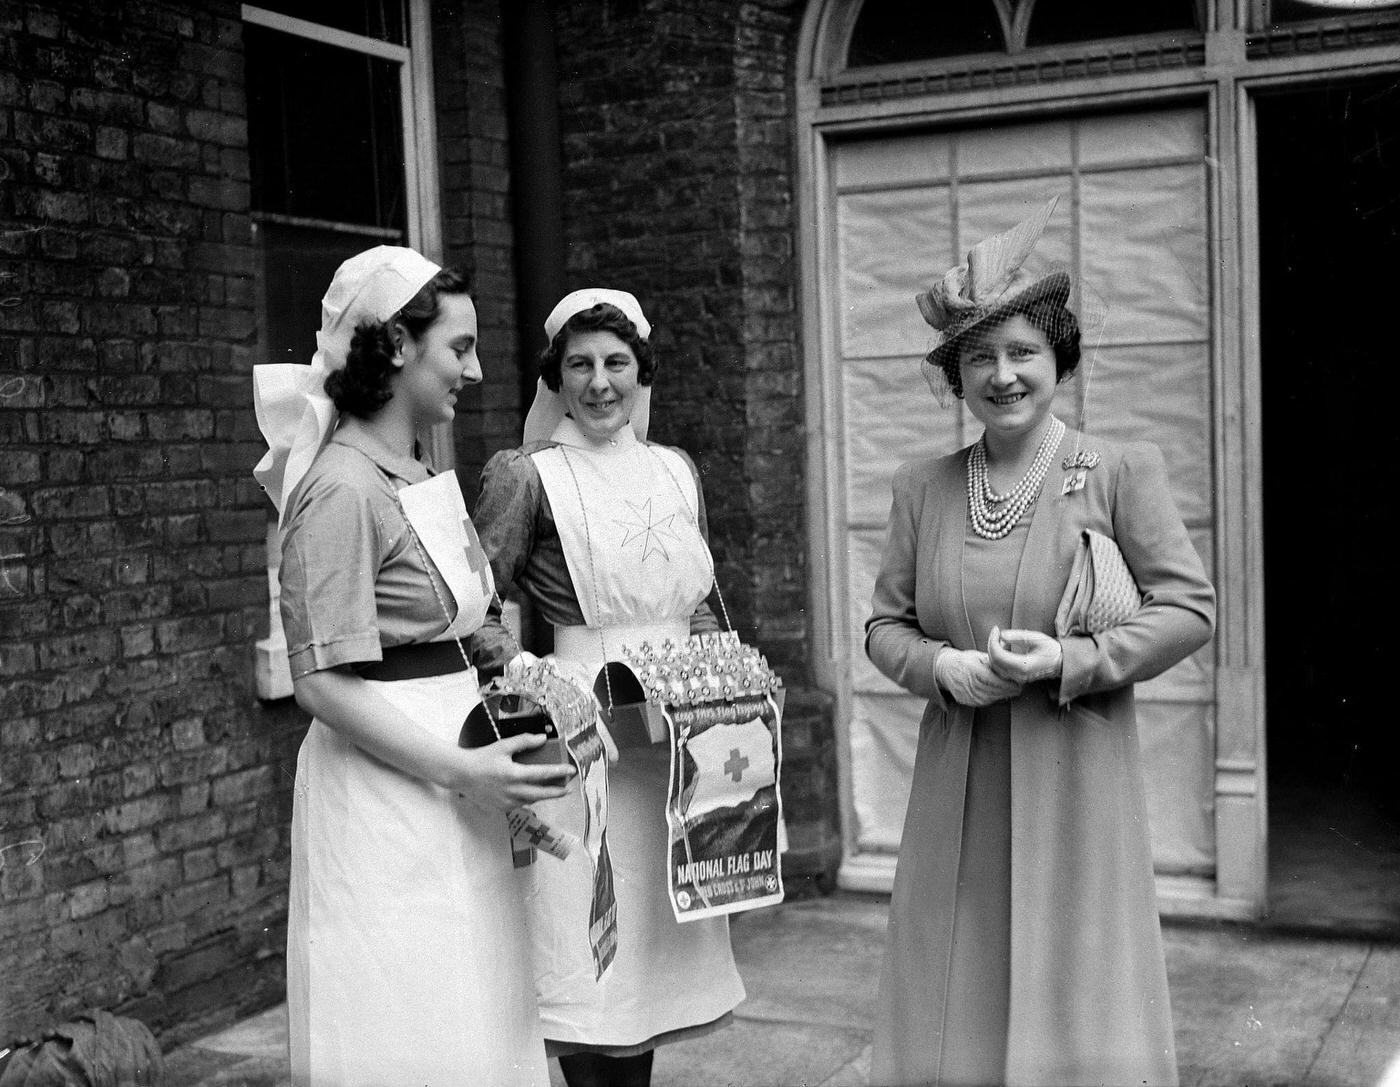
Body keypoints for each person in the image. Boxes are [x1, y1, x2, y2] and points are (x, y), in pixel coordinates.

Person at [865, 202, 1215, 1086]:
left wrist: (1072, 660)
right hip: (959, 783)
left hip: (1075, 780)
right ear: (957, 377)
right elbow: (883, 628)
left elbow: (1190, 608)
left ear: (1060, 356)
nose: (1003, 374)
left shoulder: (1119, 470)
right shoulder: (924, 488)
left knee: (1076, 1000)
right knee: (960, 992)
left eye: (1022, 350)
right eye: (978, 356)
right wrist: (939, 666)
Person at [252, 246, 572, 1087]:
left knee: (477, 1013)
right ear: (396, 345)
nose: (473, 368)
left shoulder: (420, 472)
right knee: (411, 1019)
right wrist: (460, 769)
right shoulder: (340, 488)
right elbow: (319, 682)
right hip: (390, 795)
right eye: (458, 348)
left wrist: (532, 707)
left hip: (456, 787)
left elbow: (460, 636)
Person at [473, 289, 745, 1087]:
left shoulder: (675, 470)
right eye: (580, 364)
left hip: (672, 738)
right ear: (555, 375)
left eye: (616, 363)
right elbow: (469, 606)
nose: (599, 383)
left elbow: (695, 599)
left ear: (641, 371)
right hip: (583, 734)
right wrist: (533, 684)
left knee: (650, 976)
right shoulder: (526, 477)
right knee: (591, 965)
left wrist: (717, 689)